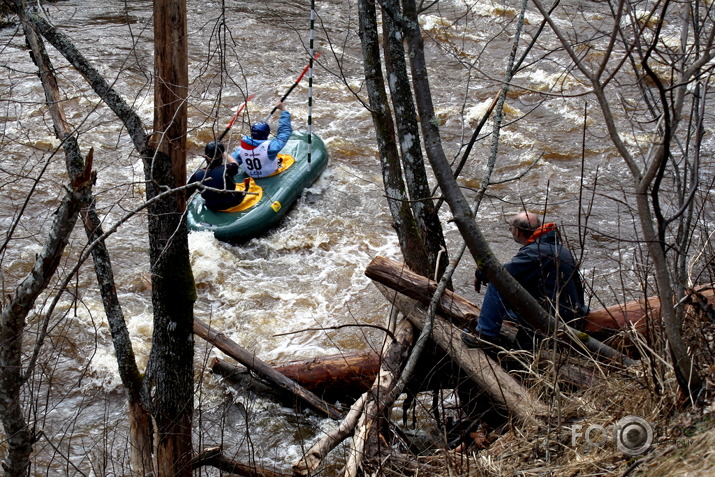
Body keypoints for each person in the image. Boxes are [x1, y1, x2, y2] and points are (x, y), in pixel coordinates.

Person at [463, 212, 588, 350]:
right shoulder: (557, 249)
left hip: (551, 321)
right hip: (571, 316)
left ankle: (485, 335)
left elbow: (499, 274)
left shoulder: (535, 253)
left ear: (517, 232)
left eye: (511, 228)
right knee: (508, 306)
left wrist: (480, 273)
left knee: (498, 283)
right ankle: (492, 325)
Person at [231, 101, 293, 178]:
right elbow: (285, 132)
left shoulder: (240, 149)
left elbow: (233, 162)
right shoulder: (271, 148)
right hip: (269, 173)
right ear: (267, 134)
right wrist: (284, 110)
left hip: (250, 175)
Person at [189, 140, 246, 211]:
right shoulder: (227, 169)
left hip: (211, 206)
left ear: (206, 156)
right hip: (232, 203)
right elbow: (235, 164)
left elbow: (185, 195)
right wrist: (223, 152)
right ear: (220, 156)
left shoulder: (196, 175)